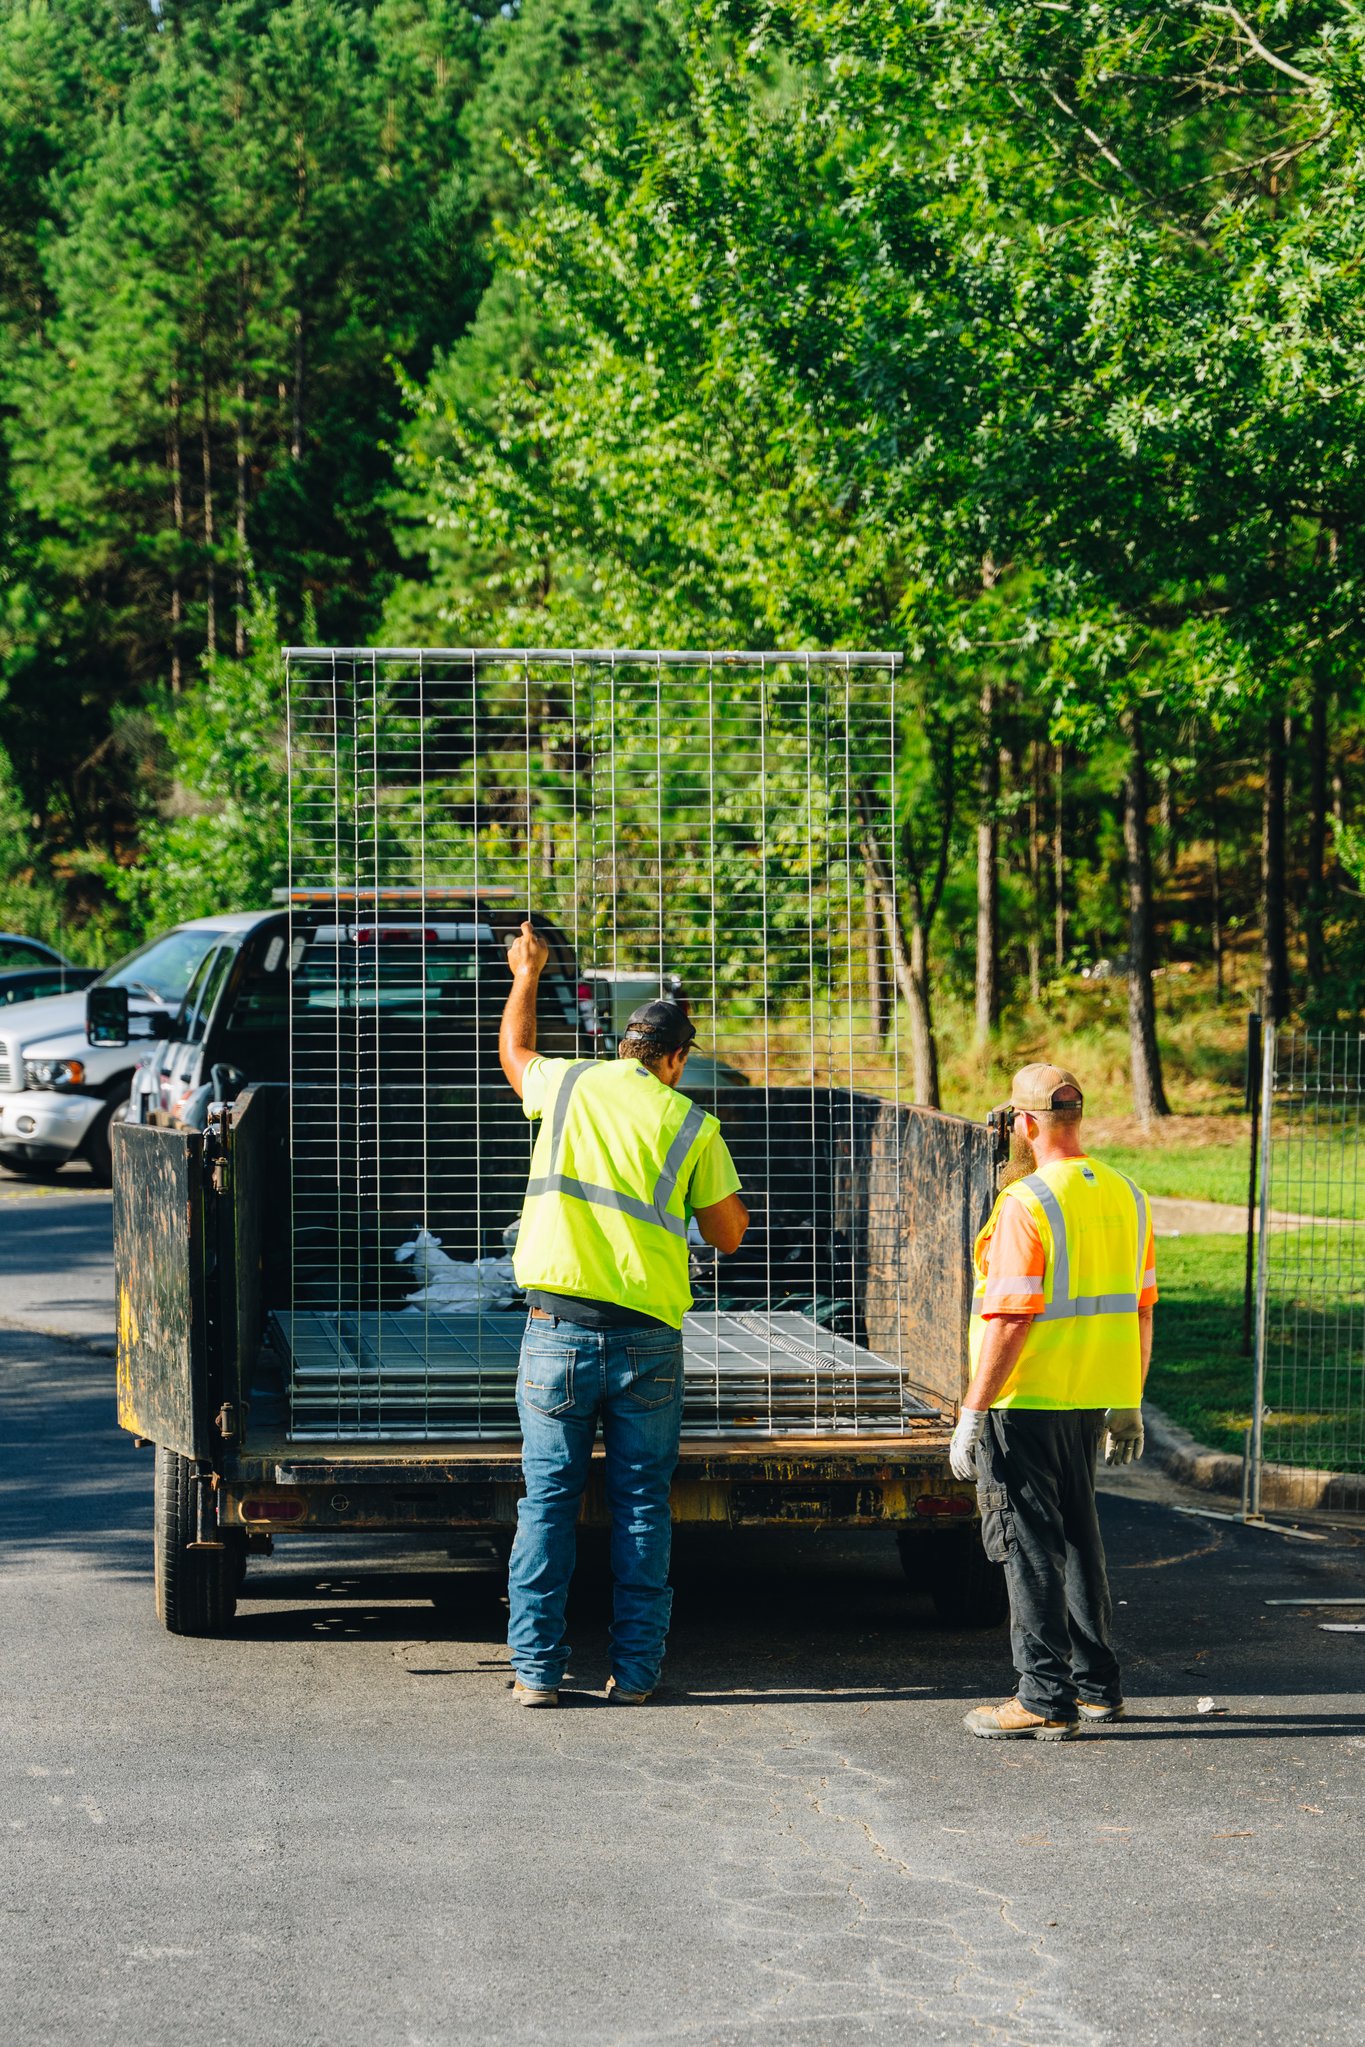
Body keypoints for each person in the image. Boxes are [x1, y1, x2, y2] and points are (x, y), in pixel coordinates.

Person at [497, 921, 749, 1707]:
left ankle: (536, 1672)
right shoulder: (691, 1124)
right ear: (675, 1058)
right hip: (646, 1340)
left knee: (546, 1502)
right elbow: (729, 1233)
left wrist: (527, 972)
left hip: (556, 1332)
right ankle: (636, 1674)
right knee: (642, 1505)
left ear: (622, 1045)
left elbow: (512, 1053)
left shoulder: (567, 1084)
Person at [950, 1063, 1156, 1741]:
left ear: (1025, 1122)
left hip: (1025, 1396)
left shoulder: (1025, 1204)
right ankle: (1098, 1688)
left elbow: (1009, 1318)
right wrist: (1126, 1399)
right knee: (1079, 1537)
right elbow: (1140, 1310)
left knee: (1028, 1544)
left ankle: (1042, 1694)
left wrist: (974, 1412)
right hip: (1089, 1395)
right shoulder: (1126, 1194)